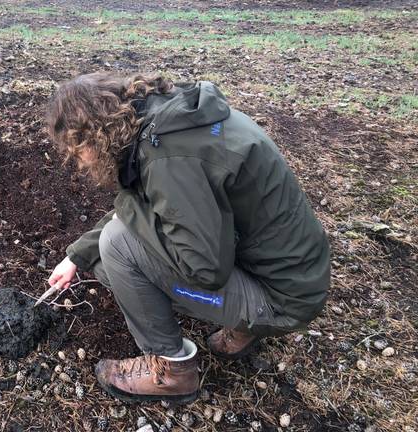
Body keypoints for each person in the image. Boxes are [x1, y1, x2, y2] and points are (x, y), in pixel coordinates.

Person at [44, 72, 330, 404]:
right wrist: (76, 256)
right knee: (103, 255)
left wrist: (125, 201)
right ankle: (243, 325)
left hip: (282, 301)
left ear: (95, 135)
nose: (79, 163)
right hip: (293, 275)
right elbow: (165, 206)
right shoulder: (167, 122)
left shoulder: (167, 159)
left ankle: (171, 371)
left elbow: (204, 269)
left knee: (117, 247)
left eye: (77, 152)